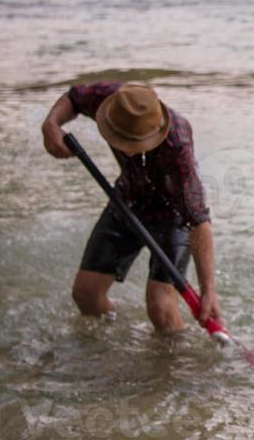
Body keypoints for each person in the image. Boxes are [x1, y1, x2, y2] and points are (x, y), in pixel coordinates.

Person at [40, 81, 221, 332]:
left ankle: (174, 364)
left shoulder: (177, 146)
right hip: (127, 199)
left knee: (160, 307)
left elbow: (198, 220)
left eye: (133, 144)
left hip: (171, 214)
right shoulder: (114, 102)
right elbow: (74, 97)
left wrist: (208, 291)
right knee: (86, 294)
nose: (127, 150)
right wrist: (51, 124)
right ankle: (115, 339)